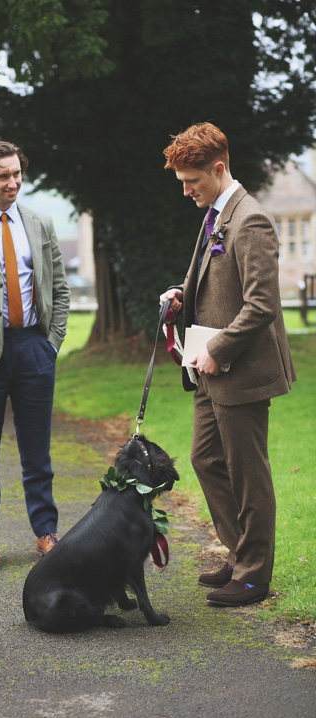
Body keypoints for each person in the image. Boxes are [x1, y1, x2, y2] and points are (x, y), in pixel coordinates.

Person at [160, 122, 295, 607]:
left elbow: (261, 306)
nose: (187, 191)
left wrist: (218, 351)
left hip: (238, 368)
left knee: (247, 471)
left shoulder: (251, 219)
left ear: (219, 169)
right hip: (207, 366)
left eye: (192, 181)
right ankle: (240, 555)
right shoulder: (216, 211)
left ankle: (255, 576)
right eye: (182, 182)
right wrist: (181, 293)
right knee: (204, 458)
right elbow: (212, 277)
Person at [0, 140, 70, 570]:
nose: (13, 182)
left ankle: (45, 532)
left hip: (33, 348)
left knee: (37, 453)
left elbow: (59, 288)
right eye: (3, 175)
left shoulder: (40, 223)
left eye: (17, 173)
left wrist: (53, 342)